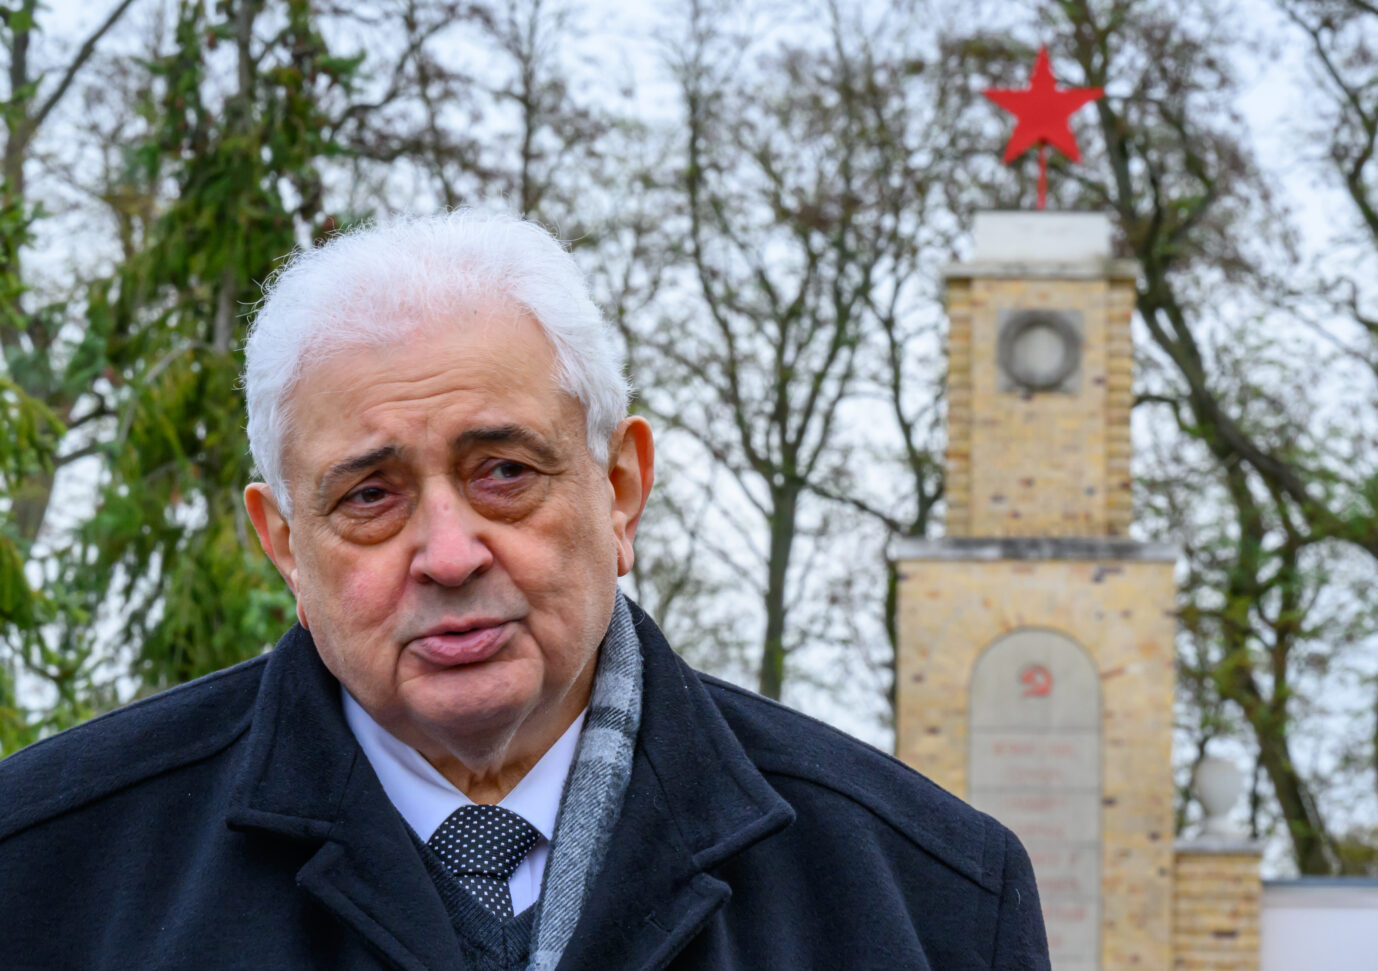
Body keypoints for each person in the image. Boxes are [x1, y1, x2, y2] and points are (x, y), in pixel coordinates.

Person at [0, 211, 1049, 970]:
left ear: (620, 489)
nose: (449, 553)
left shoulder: (927, 899)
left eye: (503, 470)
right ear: (284, 545)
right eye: (370, 494)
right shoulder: (43, 874)